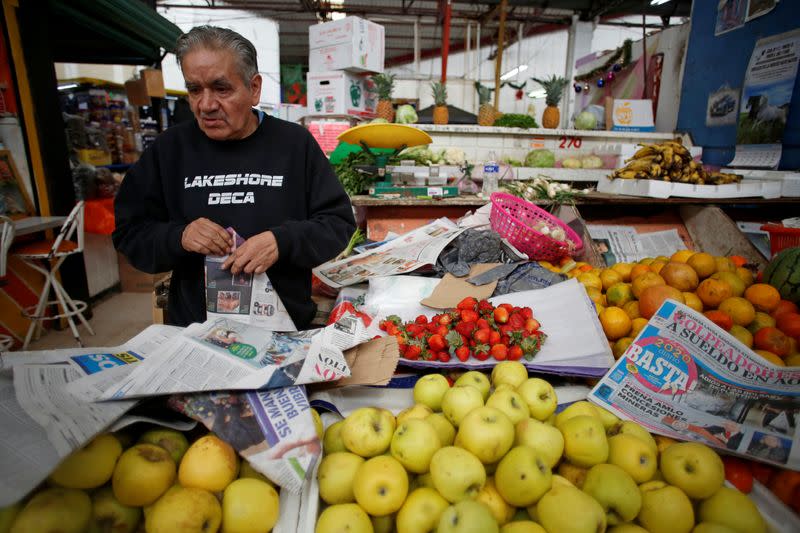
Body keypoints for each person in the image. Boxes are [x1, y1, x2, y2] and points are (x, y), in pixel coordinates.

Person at [113, 26, 355, 328]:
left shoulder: (294, 145)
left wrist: (282, 241)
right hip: (195, 332)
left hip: (283, 328)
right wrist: (179, 236)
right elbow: (129, 233)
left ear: (254, 88)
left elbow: (338, 224)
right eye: (195, 90)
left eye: (221, 89)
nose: (206, 105)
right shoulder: (169, 150)